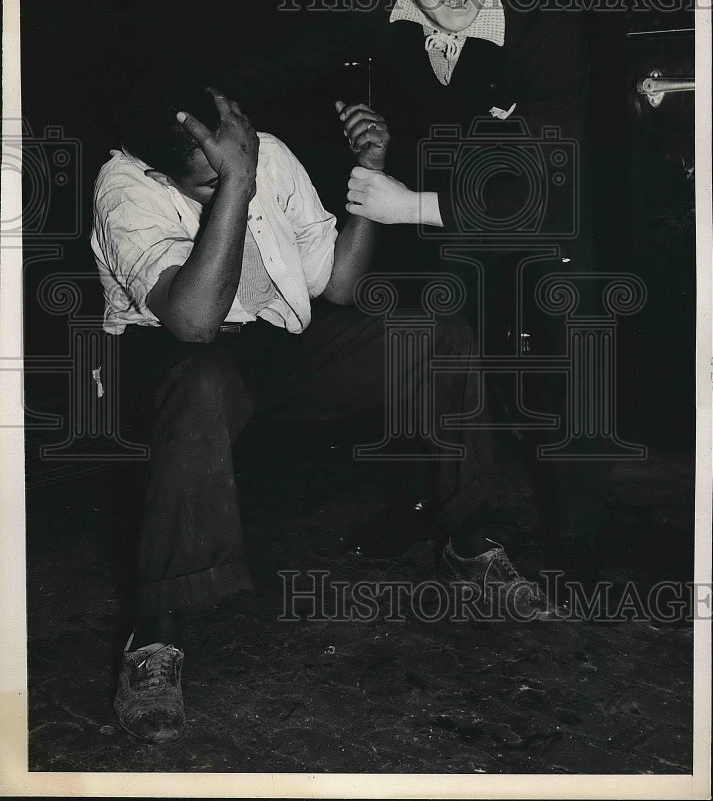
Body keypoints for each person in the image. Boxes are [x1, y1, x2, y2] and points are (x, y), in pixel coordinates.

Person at [91, 77, 557, 745]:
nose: (235, 171)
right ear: (162, 170)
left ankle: (467, 543)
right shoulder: (123, 184)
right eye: (204, 181)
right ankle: (156, 635)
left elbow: (338, 283)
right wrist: (237, 184)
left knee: (432, 337)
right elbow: (193, 323)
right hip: (174, 358)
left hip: (273, 342)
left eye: (239, 155)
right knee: (201, 382)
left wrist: (368, 173)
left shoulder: (266, 151)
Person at [339, 0, 608, 586]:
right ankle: (425, 504)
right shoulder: (380, 15)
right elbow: (293, 73)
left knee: (566, 347)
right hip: (442, 218)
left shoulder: (546, 26)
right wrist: (355, 126)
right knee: (416, 339)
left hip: (544, 214)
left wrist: (409, 205)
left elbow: (541, 186)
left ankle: (579, 535)